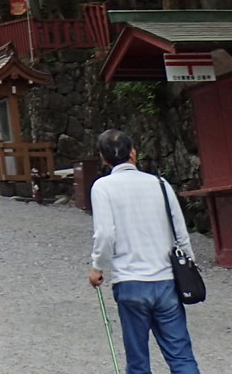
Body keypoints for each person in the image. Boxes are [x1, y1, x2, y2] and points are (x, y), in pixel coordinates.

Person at [88, 129, 201, 374]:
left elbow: (105, 234)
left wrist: (98, 266)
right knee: (181, 356)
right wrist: (189, 266)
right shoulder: (160, 184)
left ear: (103, 158)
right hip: (166, 280)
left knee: (138, 361)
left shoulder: (102, 187)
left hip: (130, 282)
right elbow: (180, 230)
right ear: (133, 153)